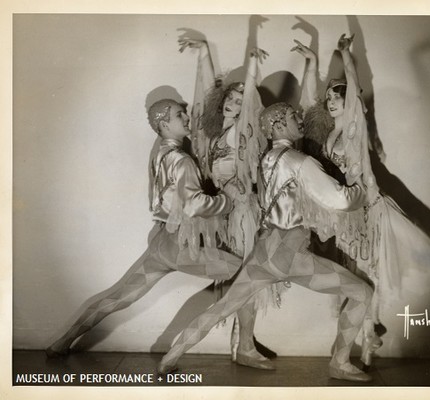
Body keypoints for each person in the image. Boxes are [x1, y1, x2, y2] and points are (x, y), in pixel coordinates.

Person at [157, 102, 375, 382]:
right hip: (290, 255)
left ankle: (170, 358)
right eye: (293, 116)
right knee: (362, 293)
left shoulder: (267, 158)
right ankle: (340, 362)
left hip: (263, 253)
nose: (300, 120)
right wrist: (362, 189)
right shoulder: (299, 161)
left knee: (222, 308)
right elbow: (339, 199)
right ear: (278, 125)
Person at [45, 99, 264, 367]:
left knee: (119, 297)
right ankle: (243, 346)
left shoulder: (161, 153)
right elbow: (194, 206)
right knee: (250, 275)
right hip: (182, 246)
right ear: (163, 124)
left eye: (184, 112)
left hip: (162, 241)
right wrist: (227, 201)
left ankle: (62, 342)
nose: (186, 117)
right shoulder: (182, 160)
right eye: (179, 115)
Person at [300, 34, 430, 368]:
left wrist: (348, 58)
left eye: (338, 97)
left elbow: (357, 88)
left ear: (350, 102)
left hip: (364, 206)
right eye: (329, 97)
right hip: (344, 207)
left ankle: (366, 339)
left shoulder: (353, 127)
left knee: (365, 271)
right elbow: (308, 106)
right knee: (353, 274)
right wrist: (311, 63)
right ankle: (365, 335)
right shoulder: (329, 132)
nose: (332, 101)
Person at [179, 37, 279, 361]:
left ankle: (246, 344)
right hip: (221, 213)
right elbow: (209, 90)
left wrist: (252, 66)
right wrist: (205, 52)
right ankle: (245, 341)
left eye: (238, 102)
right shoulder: (212, 133)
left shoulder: (241, 131)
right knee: (239, 280)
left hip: (240, 214)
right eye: (230, 99)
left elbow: (251, 100)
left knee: (246, 279)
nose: (232, 105)